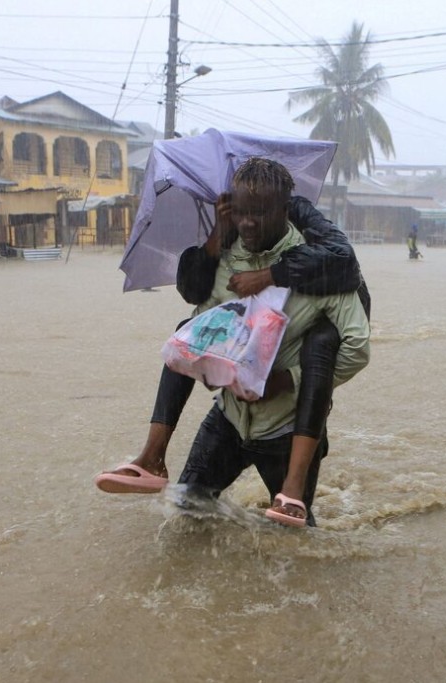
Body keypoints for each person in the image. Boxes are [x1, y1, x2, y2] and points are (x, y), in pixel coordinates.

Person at [96, 159, 370, 528]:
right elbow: (206, 319)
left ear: (284, 210)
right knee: (187, 515)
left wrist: (286, 380)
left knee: (293, 540)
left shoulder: (319, 265)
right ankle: (151, 457)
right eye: (241, 213)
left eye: (259, 213)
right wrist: (209, 366)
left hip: (286, 428)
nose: (248, 223)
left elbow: (356, 348)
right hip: (229, 418)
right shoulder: (226, 257)